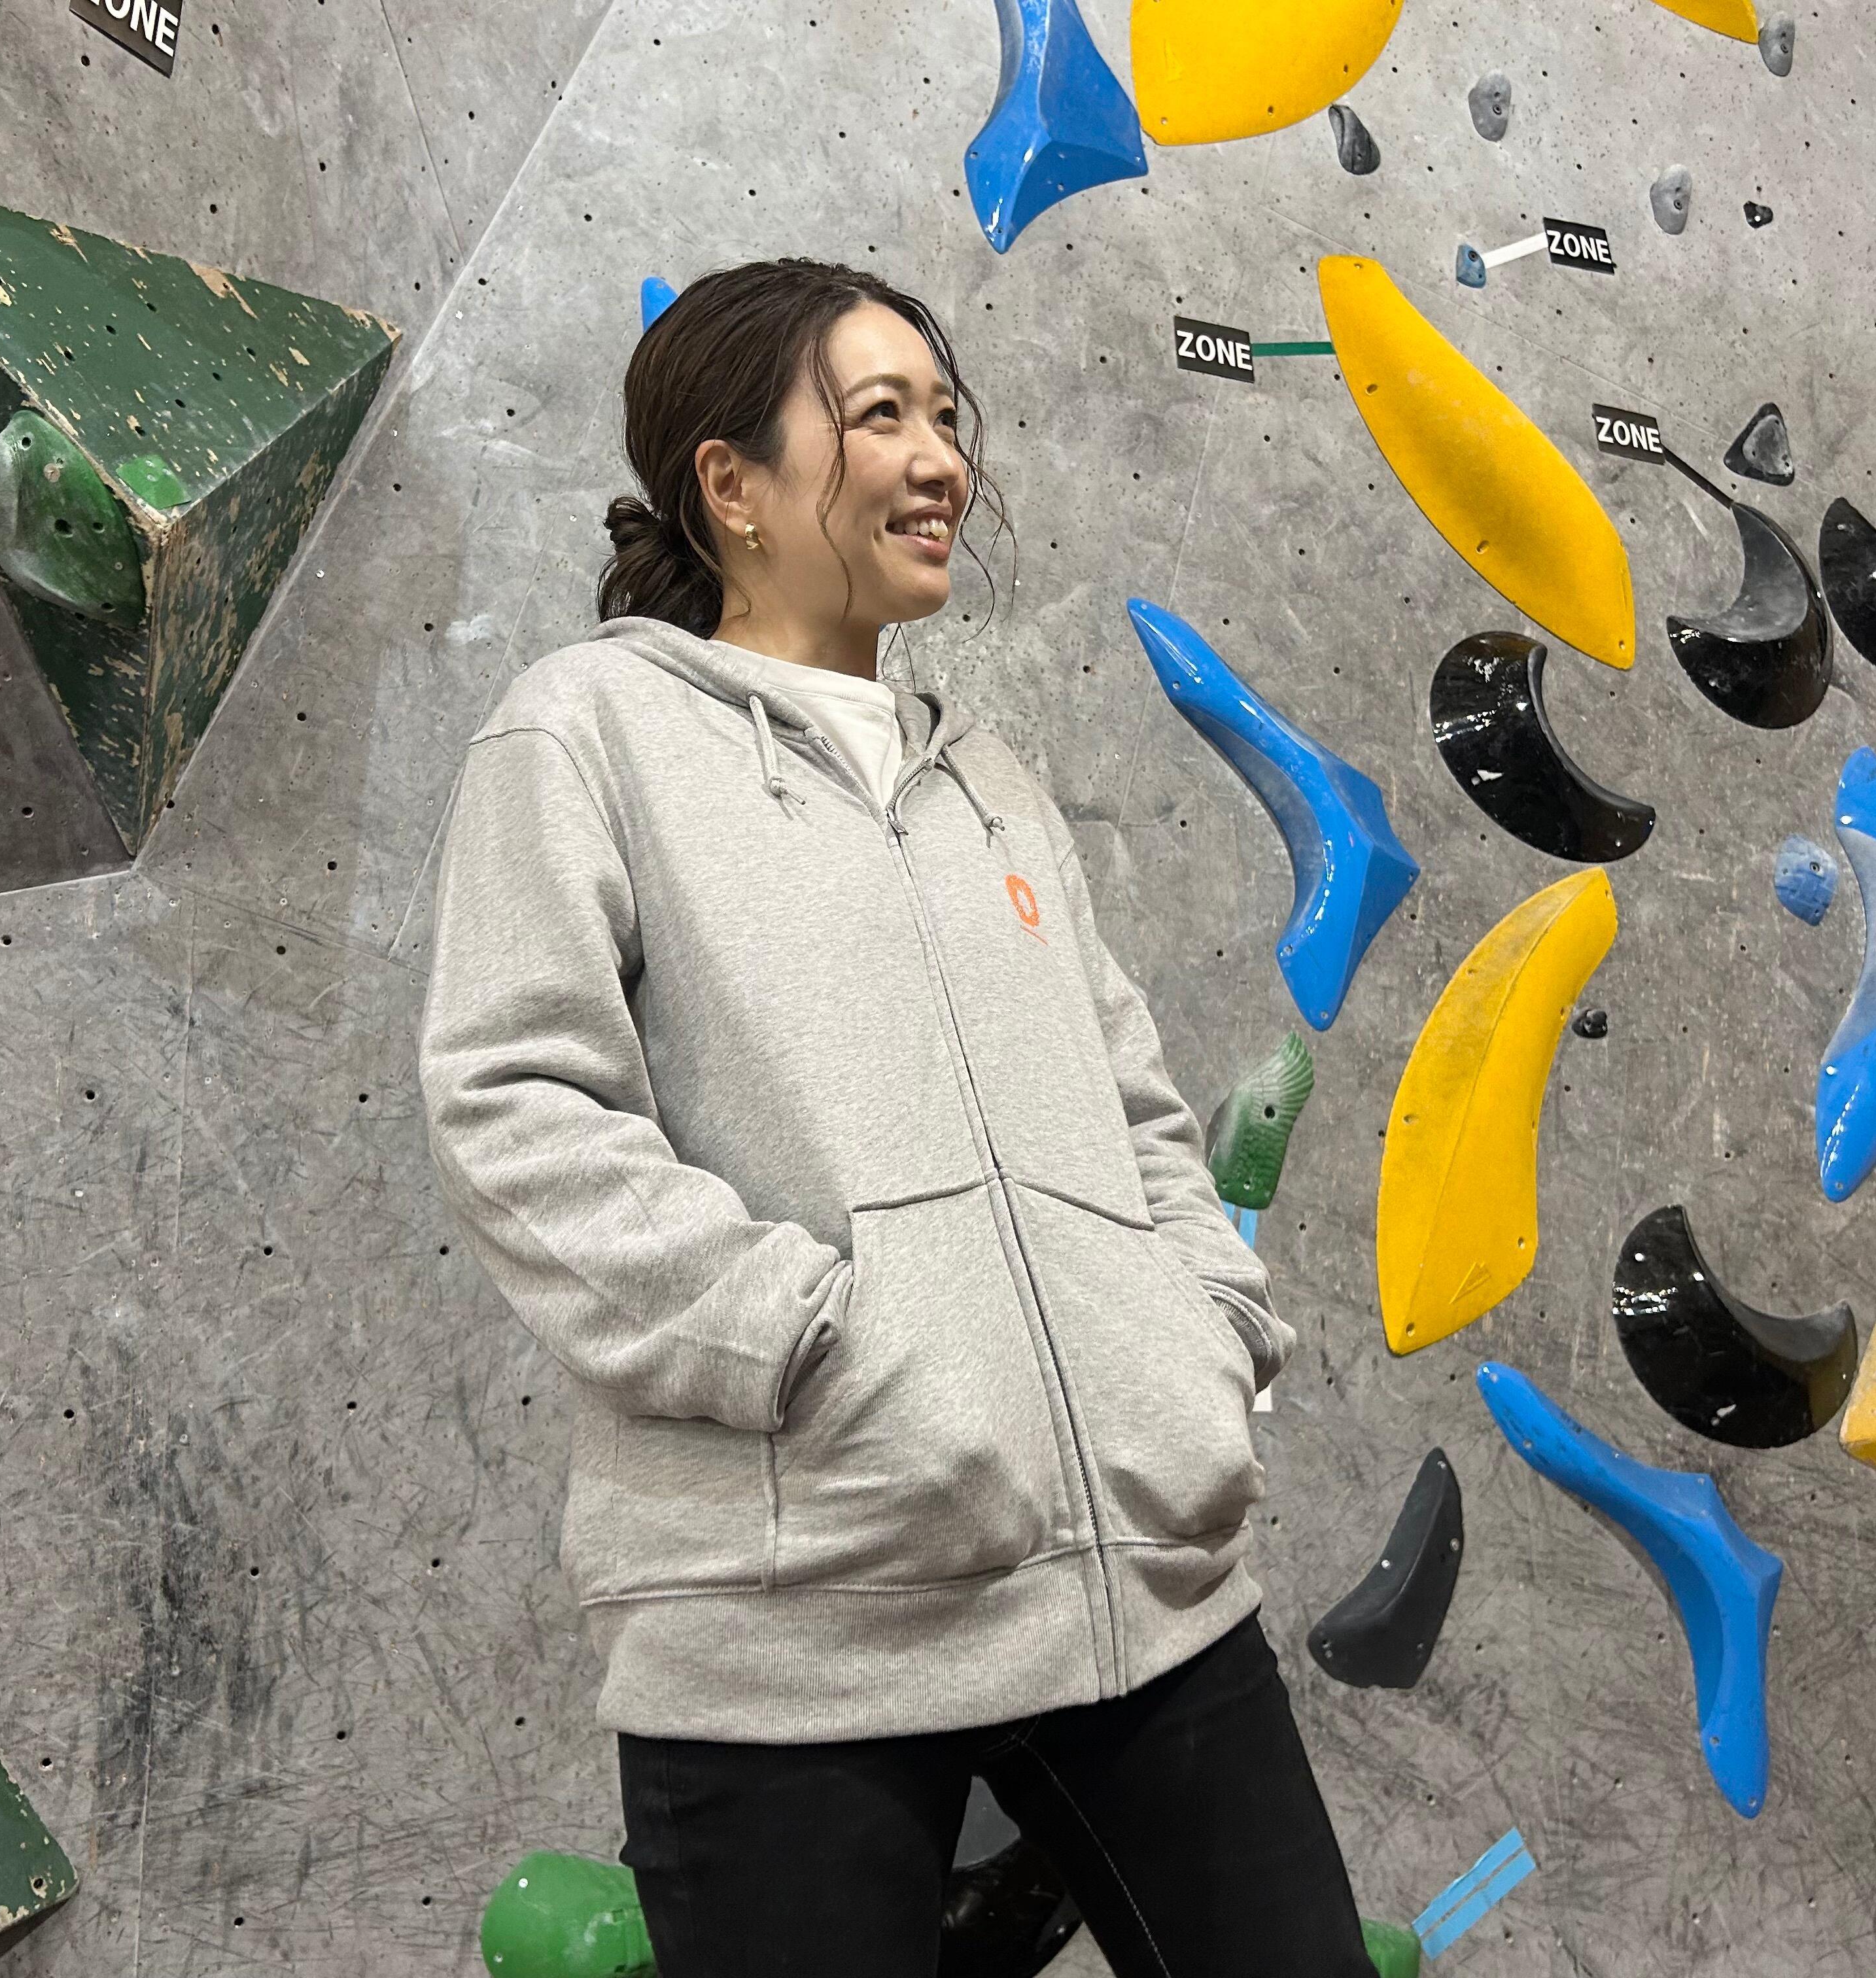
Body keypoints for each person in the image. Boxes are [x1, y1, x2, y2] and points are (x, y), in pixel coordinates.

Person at [417, 256, 1379, 1977]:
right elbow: (518, 1109)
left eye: (946, 415)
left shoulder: (989, 780)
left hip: (1141, 1592)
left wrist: (1200, 1334)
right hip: (793, 1630)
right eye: (881, 416)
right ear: (732, 483)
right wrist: (816, 1347)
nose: (942, 458)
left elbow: (1135, 1106)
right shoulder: (586, 735)